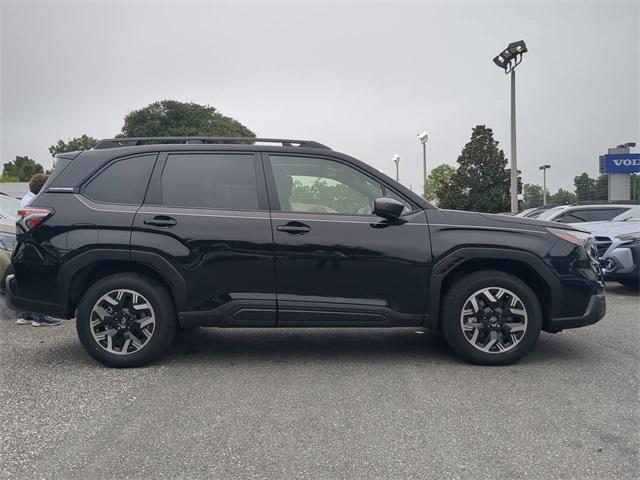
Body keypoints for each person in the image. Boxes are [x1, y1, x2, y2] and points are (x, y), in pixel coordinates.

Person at [16, 174, 61, 327]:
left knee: (29, 279)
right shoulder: (37, 202)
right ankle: (40, 317)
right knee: (40, 278)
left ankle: (25, 314)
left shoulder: (25, 199)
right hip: (37, 244)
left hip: (26, 244)